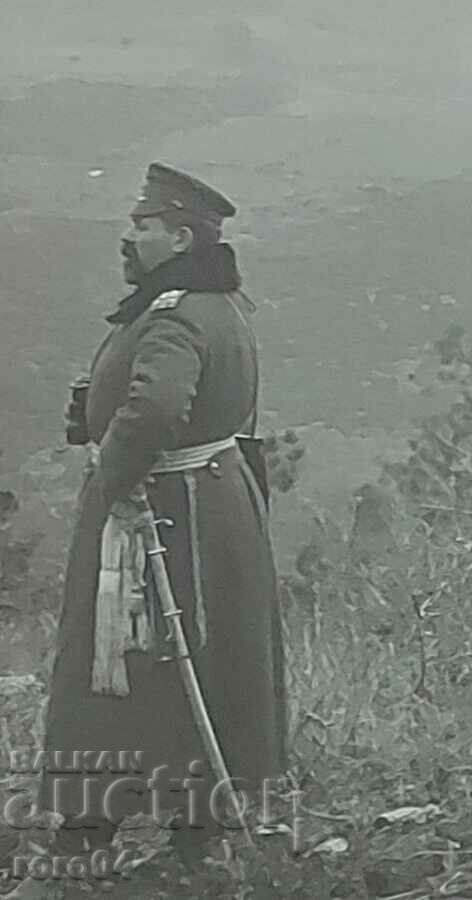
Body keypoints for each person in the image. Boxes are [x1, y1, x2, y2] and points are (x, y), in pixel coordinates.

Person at [27, 163, 287, 881]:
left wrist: (111, 472)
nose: (129, 237)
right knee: (206, 663)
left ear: (179, 235)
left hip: (164, 512)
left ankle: (88, 834)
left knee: (113, 664)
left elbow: (157, 409)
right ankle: (196, 830)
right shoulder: (223, 308)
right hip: (216, 507)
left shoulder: (174, 315)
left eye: (142, 227)